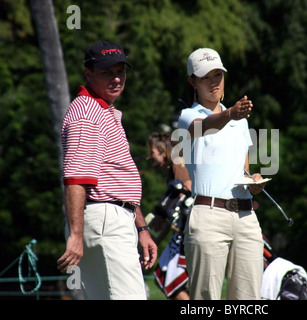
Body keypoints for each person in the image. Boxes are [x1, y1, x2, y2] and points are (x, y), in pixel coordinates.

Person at [56, 40, 158, 300]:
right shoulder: (87, 113)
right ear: (88, 73)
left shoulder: (100, 110)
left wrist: (141, 228)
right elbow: (76, 179)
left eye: (120, 71)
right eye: (106, 72)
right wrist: (76, 235)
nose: (116, 78)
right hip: (103, 221)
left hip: (109, 219)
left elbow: (116, 180)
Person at [177, 47, 267, 300]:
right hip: (208, 216)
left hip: (246, 217)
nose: (213, 82)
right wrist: (230, 114)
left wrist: (255, 182)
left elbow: (244, 171)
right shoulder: (188, 116)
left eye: (218, 74)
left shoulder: (240, 120)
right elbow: (203, 127)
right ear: (192, 81)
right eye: (205, 76)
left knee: (248, 300)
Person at [146, 131, 192, 300]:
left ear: (163, 150)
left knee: (166, 279)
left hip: (188, 233)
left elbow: (188, 191)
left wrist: (165, 212)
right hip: (185, 231)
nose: (150, 158)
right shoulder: (176, 167)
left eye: (152, 153)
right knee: (167, 279)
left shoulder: (178, 163)